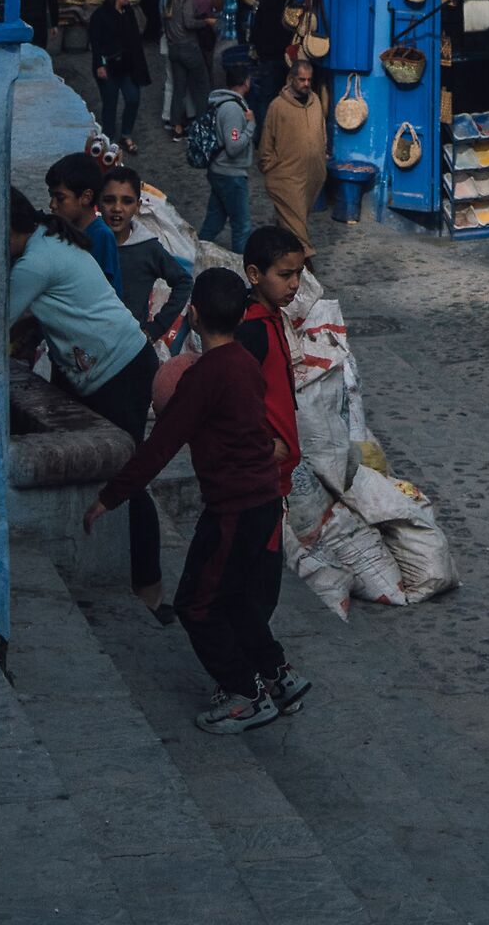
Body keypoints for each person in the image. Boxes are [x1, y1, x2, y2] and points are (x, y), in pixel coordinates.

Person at [83, 266, 310, 734]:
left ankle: (245, 694)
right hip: (263, 498)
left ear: (193, 314)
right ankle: (278, 675)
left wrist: (110, 496)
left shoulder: (203, 377)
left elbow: (160, 444)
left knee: (197, 603)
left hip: (232, 507)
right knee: (237, 598)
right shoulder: (245, 363)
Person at [8, 187, 166, 616]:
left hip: (120, 369)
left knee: (128, 477)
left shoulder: (34, 263)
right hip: (118, 364)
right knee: (122, 475)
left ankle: (148, 587)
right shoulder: (47, 238)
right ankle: (140, 579)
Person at [237, 225, 305, 499]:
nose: (295, 284)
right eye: (285, 275)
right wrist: (262, 444)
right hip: (261, 471)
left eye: (299, 273)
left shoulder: (273, 317)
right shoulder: (252, 331)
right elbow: (235, 400)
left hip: (275, 470)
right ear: (254, 274)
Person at [98, 163, 193, 347]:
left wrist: (156, 328)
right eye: (110, 200)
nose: (117, 208)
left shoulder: (147, 248)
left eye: (127, 201)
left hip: (129, 347)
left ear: (138, 206)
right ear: (99, 202)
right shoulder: (88, 243)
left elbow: (184, 281)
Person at [257, 58, 327, 254]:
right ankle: (305, 263)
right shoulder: (278, 106)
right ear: (291, 79)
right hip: (286, 176)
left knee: (293, 220)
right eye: (301, 79)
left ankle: (277, 253)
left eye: (309, 80)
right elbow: (266, 141)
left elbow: (321, 131)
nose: (306, 84)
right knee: (298, 229)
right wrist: (269, 166)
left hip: (312, 175)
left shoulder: (315, 102)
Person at [197, 57, 258, 253]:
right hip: (230, 174)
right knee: (242, 226)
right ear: (245, 81)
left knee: (214, 220)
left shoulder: (226, 103)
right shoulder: (232, 109)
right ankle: (241, 267)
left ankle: (196, 252)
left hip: (220, 171)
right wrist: (251, 126)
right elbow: (233, 146)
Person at [88, 0, 149, 157]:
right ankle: (108, 140)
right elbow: (96, 42)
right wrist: (99, 64)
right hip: (108, 65)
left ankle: (126, 134)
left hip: (126, 65)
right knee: (110, 103)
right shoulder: (100, 15)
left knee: (133, 98)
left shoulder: (128, 12)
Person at [45, 152, 123, 292]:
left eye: (60, 198)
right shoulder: (60, 230)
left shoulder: (101, 236)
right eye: (51, 196)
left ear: (86, 197)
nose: (52, 205)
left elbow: (103, 291)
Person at [164, 0, 215, 141]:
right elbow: (189, 23)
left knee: (179, 88)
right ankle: (203, 126)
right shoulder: (187, 1)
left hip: (174, 49)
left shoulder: (169, 1)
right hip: (189, 49)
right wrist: (206, 21)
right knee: (202, 87)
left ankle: (176, 127)